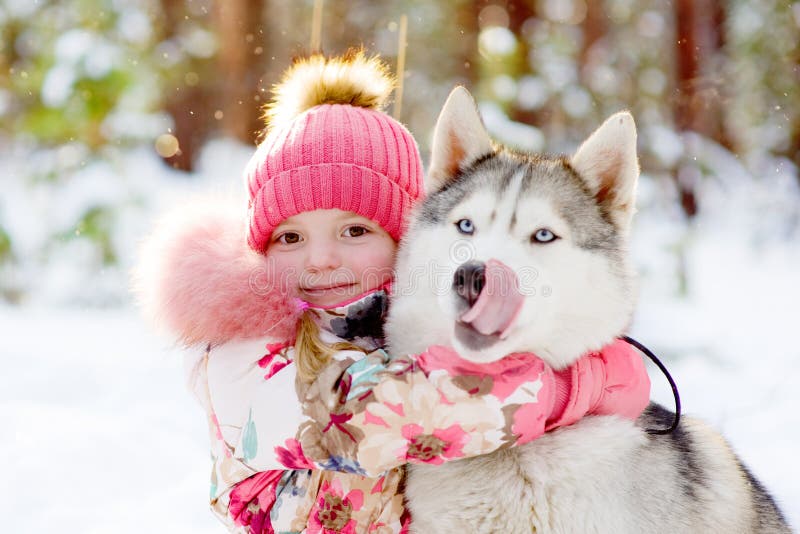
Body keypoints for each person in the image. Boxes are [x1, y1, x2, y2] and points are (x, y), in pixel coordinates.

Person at [135, 50, 650, 533]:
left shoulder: (386, 327)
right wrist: (570, 386)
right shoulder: (244, 355)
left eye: (354, 231)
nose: (320, 260)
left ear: (401, 237)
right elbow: (377, 414)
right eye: (290, 237)